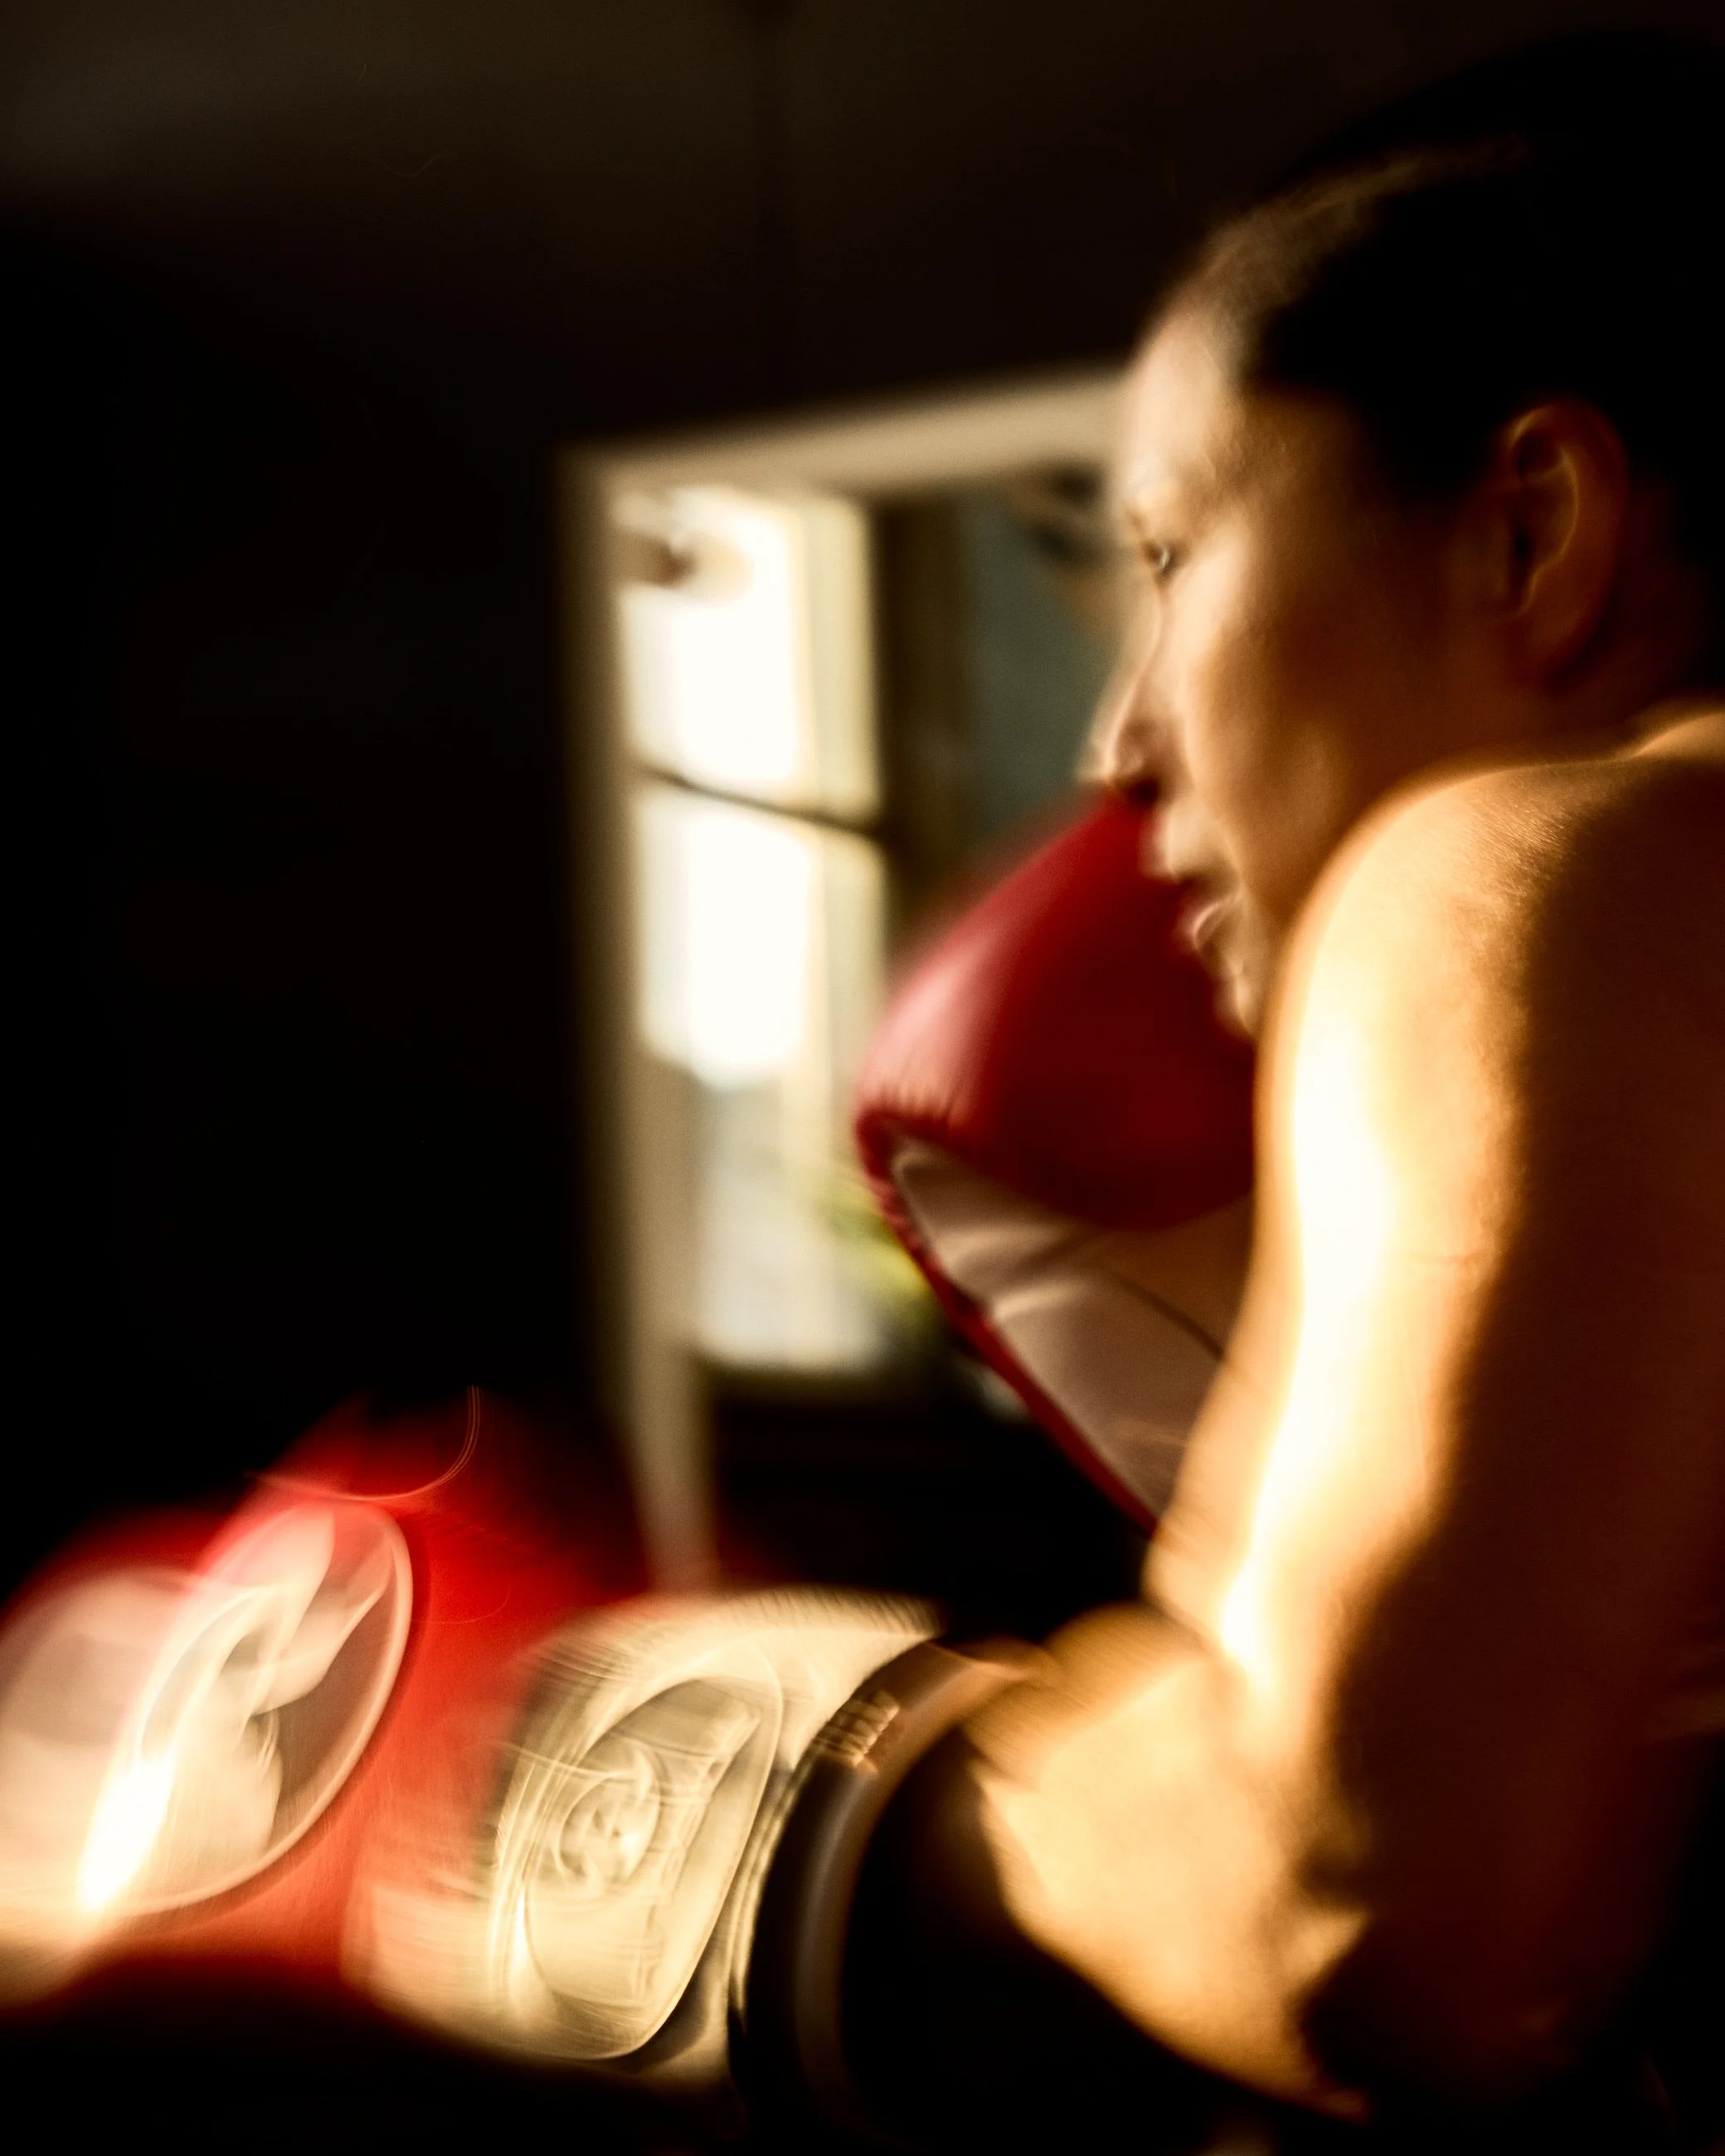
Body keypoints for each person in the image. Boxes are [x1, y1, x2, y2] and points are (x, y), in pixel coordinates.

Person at [845, 33, 1725, 2149]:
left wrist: (836, 1775)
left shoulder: (1524, 864)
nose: (1118, 740)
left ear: (1527, 528)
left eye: (1162, 556)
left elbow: (1364, 1919)